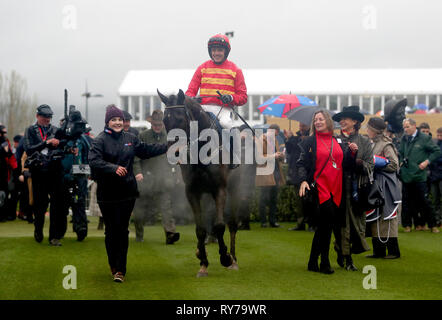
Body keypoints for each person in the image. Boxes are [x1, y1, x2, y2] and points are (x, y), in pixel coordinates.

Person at [89, 105, 168, 283]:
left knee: (122, 230)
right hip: (107, 193)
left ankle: (120, 271)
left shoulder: (131, 138)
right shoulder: (100, 140)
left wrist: (168, 147)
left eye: (120, 120)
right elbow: (94, 161)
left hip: (127, 192)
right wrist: (113, 168)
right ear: (107, 122)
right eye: (114, 120)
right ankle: (113, 265)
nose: (118, 122)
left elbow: (147, 150)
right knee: (111, 231)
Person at [297, 109, 352, 274]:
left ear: (328, 121)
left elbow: (347, 165)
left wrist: (353, 152)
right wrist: (303, 180)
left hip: (337, 188)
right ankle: (324, 263)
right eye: (315, 120)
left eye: (320, 119)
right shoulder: (309, 142)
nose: (317, 122)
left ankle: (313, 262)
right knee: (326, 226)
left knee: (324, 227)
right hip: (320, 189)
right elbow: (300, 164)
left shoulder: (339, 141)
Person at [332, 106, 373, 271]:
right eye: (341, 119)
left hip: (357, 190)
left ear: (355, 121)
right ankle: (345, 256)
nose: (342, 121)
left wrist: (358, 162)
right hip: (338, 188)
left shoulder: (364, 142)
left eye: (346, 118)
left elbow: (370, 166)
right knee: (341, 224)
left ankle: (346, 254)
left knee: (356, 224)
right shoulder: (334, 140)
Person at [132, 110, 180, 244]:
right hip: (145, 178)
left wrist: (176, 174)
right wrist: (138, 172)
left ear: (164, 124)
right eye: (155, 124)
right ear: (151, 123)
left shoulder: (171, 137)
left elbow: (176, 159)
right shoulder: (142, 136)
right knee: (139, 210)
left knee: (166, 209)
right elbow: (136, 157)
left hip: (164, 178)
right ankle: (139, 235)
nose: (157, 127)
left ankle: (170, 234)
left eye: (160, 124)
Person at [186, 34, 248, 131]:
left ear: (225, 51)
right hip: (203, 108)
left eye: (219, 50)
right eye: (213, 50)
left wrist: (231, 97)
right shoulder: (202, 68)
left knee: (226, 123)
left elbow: (243, 97)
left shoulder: (236, 70)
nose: (216, 53)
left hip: (223, 110)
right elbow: (190, 92)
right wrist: (192, 100)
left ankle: (231, 146)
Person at [23, 105, 65, 246]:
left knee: (56, 205)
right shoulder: (30, 130)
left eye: (49, 117)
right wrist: (46, 143)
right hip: (38, 171)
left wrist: (65, 146)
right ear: (37, 116)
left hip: (55, 171)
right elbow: (29, 149)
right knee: (40, 204)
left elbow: (63, 147)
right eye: (44, 117)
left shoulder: (56, 130)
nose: (47, 119)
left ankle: (54, 236)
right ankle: (38, 229)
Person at [365, 117, 402, 259]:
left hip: (386, 185)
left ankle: (393, 251)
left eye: (369, 128)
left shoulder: (386, 145)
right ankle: (378, 251)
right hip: (377, 183)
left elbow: (394, 165)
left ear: (374, 130)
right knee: (376, 215)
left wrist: (378, 163)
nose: (367, 131)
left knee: (387, 216)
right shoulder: (374, 143)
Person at [399, 118, 441, 233]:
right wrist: (400, 162)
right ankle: (407, 225)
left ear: (414, 126)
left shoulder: (424, 138)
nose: (405, 129)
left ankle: (433, 225)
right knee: (407, 202)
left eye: (407, 127)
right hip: (406, 175)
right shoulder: (404, 138)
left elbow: (437, 151)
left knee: (425, 201)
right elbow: (400, 152)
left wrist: (427, 161)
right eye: (404, 127)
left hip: (420, 176)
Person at [60, 130, 92, 241]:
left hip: (79, 178)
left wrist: (82, 172)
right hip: (63, 177)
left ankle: (81, 229)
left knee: (79, 203)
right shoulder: (62, 139)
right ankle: (59, 231)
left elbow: (88, 158)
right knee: (62, 205)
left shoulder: (83, 140)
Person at [285, 122, 315, 231]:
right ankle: (300, 223)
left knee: (310, 201)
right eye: (300, 126)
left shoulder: (312, 138)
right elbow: (289, 150)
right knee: (299, 201)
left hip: (309, 174)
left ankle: (312, 224)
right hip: (297, 174)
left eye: (304, 125)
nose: (301, 127)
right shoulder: (295, 138)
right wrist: (288, 139)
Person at [256, 124, 285, 228]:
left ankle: (273, 221)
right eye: (274, 134)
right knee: (264, 198)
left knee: (274, 198)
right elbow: (259, 157)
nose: (274, 137)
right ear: (269, 130)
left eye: (276, 135)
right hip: (265, 172)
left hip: (275, 172)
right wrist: (273, 155)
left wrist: (281, 156)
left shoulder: (275, 141)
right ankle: (263, 221)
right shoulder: (260, 140)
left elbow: (276, 155)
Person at [0, 125, 17, 222]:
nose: (3, 135)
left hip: (3, 172)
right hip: (3, 171)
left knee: (3, 193)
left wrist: (15, 168)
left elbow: (10, 156)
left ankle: (3, 215)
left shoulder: (5, 142)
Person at [429, 127, 442, 228]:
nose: (439, 137)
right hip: (434, 176)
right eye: (438, 135)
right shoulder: (435, 145)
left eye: (440, 135)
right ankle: (437, 220)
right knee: (435, 200)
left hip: (439, 175)